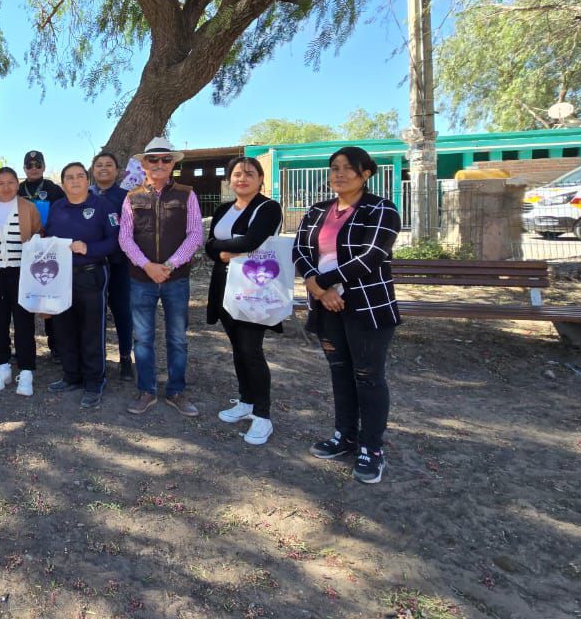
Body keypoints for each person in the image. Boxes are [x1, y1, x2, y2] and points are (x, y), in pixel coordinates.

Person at [293, 147, 401, 484]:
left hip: (366, 306)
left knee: (368, 376)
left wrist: (322, 282)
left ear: (365, 173)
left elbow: (372, 255)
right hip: (326, 306)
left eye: (347, 168)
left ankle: (372, 447)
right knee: (339, 373)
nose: (339, 174)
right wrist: (317, 288)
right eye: (334, 168)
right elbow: (300, 249)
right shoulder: (316, 211)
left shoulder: (381, 209)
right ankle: (345, 436)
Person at [119, 137, 204, 418]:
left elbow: (195, 234)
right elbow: (125, 238)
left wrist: (169, 265)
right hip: (141, 279)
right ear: (143, 164)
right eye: (153, 159)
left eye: (165, 159)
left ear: (172, 164)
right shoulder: (131, 197)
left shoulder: (187, 194)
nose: (159, 164)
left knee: (177, 338)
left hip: (175, 279)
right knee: (142, 338)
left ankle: (176, 391)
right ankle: (147, 390)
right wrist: (147, 266)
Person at [204, 157, 284, 446]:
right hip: (224, 285)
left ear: (261, 179)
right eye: (237, 174)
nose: (242, 178)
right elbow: (208, 246)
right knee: (238, 348)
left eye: (250, 174)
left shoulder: (268, 208)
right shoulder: (223, 209)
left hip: (254, 286)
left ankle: (263, 415)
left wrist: (221, 249)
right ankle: (246, 400)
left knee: (251, 349)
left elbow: (252, 241)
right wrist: (223, 250)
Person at [43, 163, 120, 407]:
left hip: (91, 274)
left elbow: (115, 241)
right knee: (64, 328)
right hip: (60, 276)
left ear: (88, 181)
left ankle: (94, 382)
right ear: (63, 183)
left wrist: (90, 248)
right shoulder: (57, 208)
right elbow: (49, 237)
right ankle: (71, 376)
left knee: (91, 330)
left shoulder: (104, 206)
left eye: (79, 176)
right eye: (69, 177)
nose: (75, 181)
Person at [0, 167, 42, 396]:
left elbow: (38, 234)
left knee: (23, 321)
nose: (6, 187)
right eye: (1, 183)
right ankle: (3, 366)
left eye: (10, 182)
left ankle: (27, 369)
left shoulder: (28, 208)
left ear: (17, 184)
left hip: (21, 272)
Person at [90, 151, 134, 381]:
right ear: (93, 170)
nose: (104, 168)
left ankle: (125, 358)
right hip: (91, 265)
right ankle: (96, 359)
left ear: (117, 171)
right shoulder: (85, 194)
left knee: (122, 311)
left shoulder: (127, 197)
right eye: (99, 165)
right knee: (93, 313)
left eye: (109, 165)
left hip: (119, 264)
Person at [21, 150, 65, 361]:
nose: (34, 168)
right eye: (29, 165)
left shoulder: (54, 189)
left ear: (44, 167)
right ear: (24, 169)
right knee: (24, 298)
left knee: (50, 298)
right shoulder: (17, 189)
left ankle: (55, 345)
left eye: (38, 164)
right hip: (24, 250)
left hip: (49, 250)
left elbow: (64, 214)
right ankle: (24, 346)